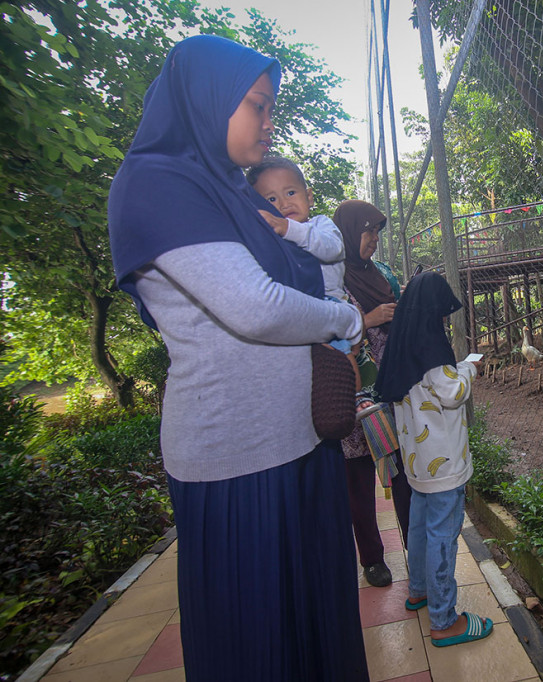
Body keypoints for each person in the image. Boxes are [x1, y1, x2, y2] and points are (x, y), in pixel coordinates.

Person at [107, 35, 369, 681]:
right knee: (259, 647)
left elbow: (306, 268)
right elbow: (256, 305)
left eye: (272, 106)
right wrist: (345, 318)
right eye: (257, 105)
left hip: (302, 440)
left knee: (316, 631)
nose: (269, 120)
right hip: (240, 462)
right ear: (206, 102)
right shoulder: (154, 183)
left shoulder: (236, 196)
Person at [375, 272, 494, 648]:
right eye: (442, 314)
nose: (444, 321)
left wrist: (455, 369)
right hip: (444, 464)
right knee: (444, 537)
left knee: (420, 526)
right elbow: (452, 392)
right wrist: (469, 369)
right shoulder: (432, 346)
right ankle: (444, 620)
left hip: (417, 462)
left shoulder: (402, 345)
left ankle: (419, 590)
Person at [332, 199, 413, 587]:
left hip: (389, 387)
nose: (374, 239)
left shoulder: (383, 274)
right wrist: (366, 320)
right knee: (359, 479)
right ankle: (372, 559)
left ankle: (416, 544)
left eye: (378, 231)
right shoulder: (329, 278)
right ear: (349, 232)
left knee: (402, 472)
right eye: (368, 231)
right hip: (352, 390)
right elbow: (323, 331)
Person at [246, 157, 348, 303]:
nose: (285, 204)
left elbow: (333, 250)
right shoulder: (272, 238)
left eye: (291, 193)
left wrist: (289, 228)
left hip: (329, 301)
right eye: (272, 199)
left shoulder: (320, 224)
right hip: (292, 303)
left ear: (309, 197)